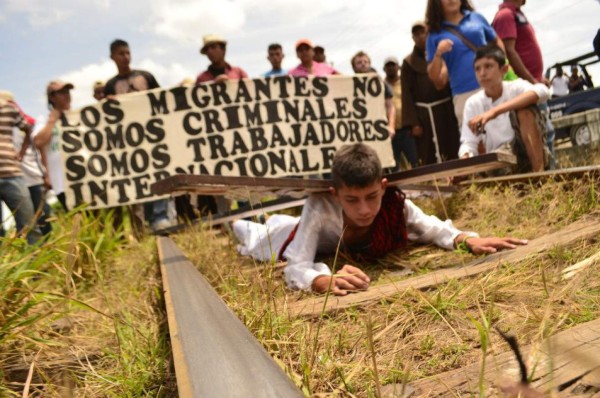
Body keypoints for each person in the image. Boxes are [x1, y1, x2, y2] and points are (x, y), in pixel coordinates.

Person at [233, 143, 527, 295]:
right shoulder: (320, 205)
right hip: (284, 238)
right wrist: (320, 279)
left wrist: (468, 239)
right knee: (249, 232)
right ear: (336, 194)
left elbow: (433, 228)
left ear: (383, 187)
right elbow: (297, 266)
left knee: (275, 221)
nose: (364, 209)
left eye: (371, 196)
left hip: (298, 229)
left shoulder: (392, 205)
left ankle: (272, 218)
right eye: (351, 200)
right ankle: (243, 223)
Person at [103, 39, 171, 233]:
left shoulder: (145, 77)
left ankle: (161, 216)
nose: (125, 57)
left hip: (153, 135)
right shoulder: (111, 85)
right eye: (120, 54)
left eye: (127, 52)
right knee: (144, 178)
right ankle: (151, 218)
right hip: (131, 141)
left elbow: (161, 99)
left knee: (159, 173)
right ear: (112, 57)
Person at [459, 44, 548, 173]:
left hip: (526, 154)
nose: (482, 73)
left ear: (504, 70)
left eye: (488, 66)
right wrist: (465, 157)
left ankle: (539, 175)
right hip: (499, 161)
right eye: (477, 69)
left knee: (525, 111)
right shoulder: (472, 103)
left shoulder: (515, 87)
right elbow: (468, 142)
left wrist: (494, 112)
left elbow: (542, 91)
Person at [492, 0, 556, 169]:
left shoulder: (516, 13)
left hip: (534, 83)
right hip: (524, 89)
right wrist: (532, 82)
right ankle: (547, 181)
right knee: (540, 136)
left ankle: (550, 177)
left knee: (545, 134)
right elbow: (509, 51)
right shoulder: (505, 15)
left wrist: (538, 78)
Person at [426, 0, 503, 128]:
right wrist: (438, 54)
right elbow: (434, 77)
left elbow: (497, 42)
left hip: (493, 86)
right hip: (464, 94)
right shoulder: (434, 34)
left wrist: (501, 67)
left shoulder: (477, 17)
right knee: (475, 142)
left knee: (506, 133)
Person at [401, 21, 460, 165]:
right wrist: (414, 123)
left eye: (423, 32)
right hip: (424, 115)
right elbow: (406, 94)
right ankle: (434, 182)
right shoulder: (408, 62)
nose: (421, 36)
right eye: (416, 34)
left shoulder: (443, 53)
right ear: (413, 38)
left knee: (452, 143)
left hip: (446, 108)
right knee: (428, 152)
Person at [0, 90, 38, 245]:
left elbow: (28, 127)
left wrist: (21, 152)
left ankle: (37, 264)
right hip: (12, 173)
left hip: (11, 172)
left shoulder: (8, 108)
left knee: (28, 223)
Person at [34, 80, 74, 211]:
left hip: (86, 178)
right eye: (61, 92)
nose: (67, 95)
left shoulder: (79, 116)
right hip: (62, 182)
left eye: (67, 91)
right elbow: (39, 142)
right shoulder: (44, 120)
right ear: (52, 97)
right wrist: (52, 120)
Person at [378, 55, 419, 169]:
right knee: (394, 166)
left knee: (414, 162)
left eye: (393, 65)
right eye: (388, 66)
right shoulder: (379, 86)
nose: (390, 68)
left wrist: (415, 124)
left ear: (399, 67)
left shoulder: (405, 83)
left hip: (407, 130)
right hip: (388, 133)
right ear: (384, 69)